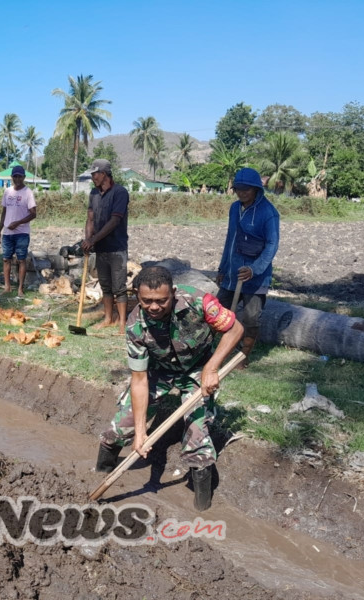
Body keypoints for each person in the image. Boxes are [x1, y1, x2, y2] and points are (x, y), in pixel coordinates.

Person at [96, 266, 244, 510]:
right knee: (124, 424)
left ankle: (202, 504)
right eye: (147, 301)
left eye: (161, 301)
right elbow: (140, 380)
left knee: (198, 434)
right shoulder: (135, 326)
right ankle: (102, 468)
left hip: (198, 367)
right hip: (159, 370)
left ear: (173, 293)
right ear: (137, 295)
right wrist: (141, 433)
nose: (154, 307)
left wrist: (212, 368)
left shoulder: (199, 301)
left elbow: (235, 328)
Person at [216, 167, 280, 368]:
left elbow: (272, 245)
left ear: (256, 189)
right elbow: (231, 238)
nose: (242, 193)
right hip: (233, 273)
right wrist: (223, 267)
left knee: (251, 319)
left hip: (256, 277)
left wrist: (255, 269)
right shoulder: (235, 208)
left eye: (247, 189)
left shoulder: (269, 213)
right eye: (238, 189)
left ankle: (242, 357)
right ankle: (218, 350)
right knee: (218, 312)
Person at [81, 159, 130, 332]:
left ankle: (122, 322)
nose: (93, 177)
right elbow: (90, 218)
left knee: (119, 287)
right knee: (106, 286)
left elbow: (115, 220)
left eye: (95, 173)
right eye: (92, 174)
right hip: (100, 249)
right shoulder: (94, 194)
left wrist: (93, 240)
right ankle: (108, 318)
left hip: (117, 248)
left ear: (104, 174)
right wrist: (88, 240)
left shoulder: (120, 192)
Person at [0, 165, 37, 297]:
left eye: (20, 176)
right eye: (15, 176)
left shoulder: (28, 193)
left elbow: (33, 214)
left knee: (21, 260)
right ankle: (7, 287)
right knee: (6, 259)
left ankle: (20, 289)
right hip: (7, 233)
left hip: (22, 233)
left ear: (24, 177)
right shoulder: (7, 192)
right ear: (12, 177)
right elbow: (4, 212)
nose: (17, 179)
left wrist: (18, 223)